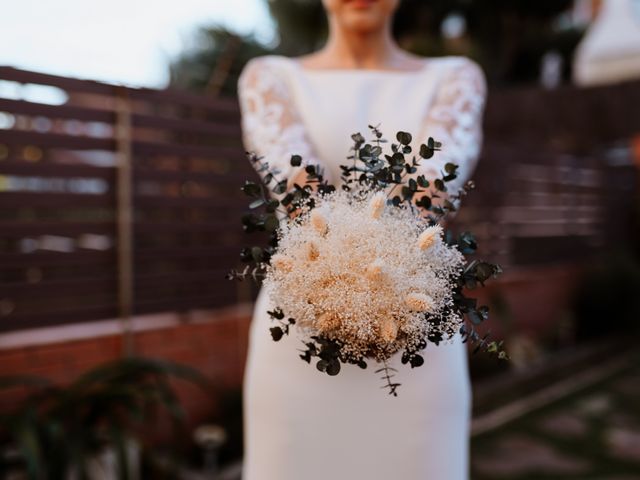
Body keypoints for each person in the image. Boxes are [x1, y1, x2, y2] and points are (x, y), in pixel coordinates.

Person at [237, 1, 487, 478]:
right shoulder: (270, 77)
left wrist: (379, 284)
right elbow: (301, 199)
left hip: (416, 333)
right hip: (302, 328)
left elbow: (426, 199)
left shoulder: (456, 77)